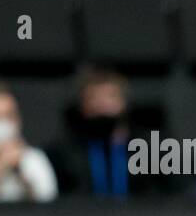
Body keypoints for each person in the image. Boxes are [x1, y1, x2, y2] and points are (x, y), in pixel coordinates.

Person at [50, 67, 136, 198]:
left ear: (124, 103)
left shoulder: (148, 151)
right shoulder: (62, 154)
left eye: (110, 97)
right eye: (94, 98)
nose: (102, 105)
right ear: (82, 106)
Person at [0, 82, 58, 203]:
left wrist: (20, 170)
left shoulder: (33, 158)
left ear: (17, 120)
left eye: (7, 116)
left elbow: (50, 209)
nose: (0, 125)